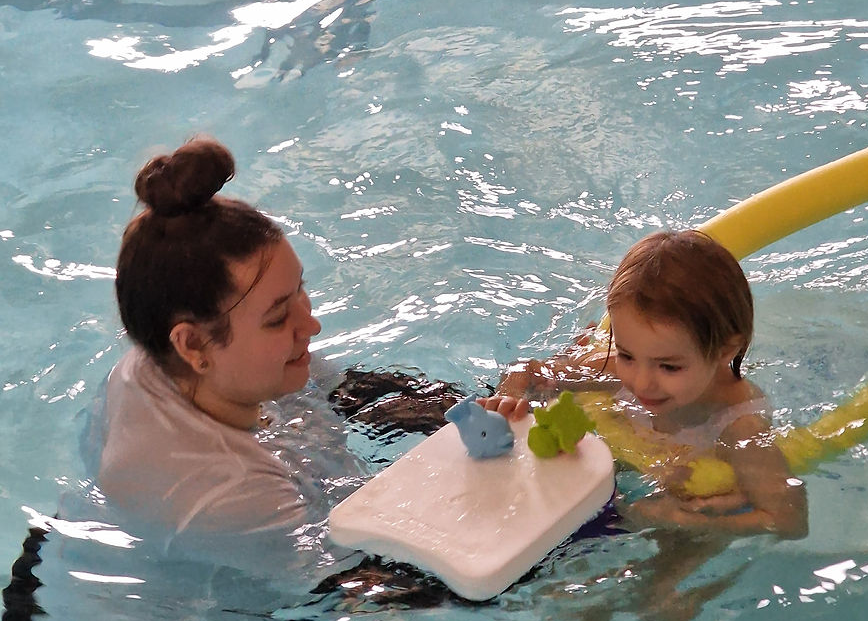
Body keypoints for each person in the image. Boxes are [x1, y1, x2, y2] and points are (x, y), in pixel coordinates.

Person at [97, 135, 456, 570]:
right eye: (277, 317)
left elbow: (352, 395)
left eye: (299, 290)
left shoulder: (167, 359)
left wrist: (474, 414)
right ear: (192, 344)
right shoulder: (230, 494)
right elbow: (362, 595)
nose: (311, 325)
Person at [485, 228, 807, 541]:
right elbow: (527, 371)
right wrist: (507, 401)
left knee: (667, 591)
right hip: (624, 471)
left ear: (725, 351)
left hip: (672, 497)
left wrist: (687, 522)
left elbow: (789, 519)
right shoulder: (615, 368)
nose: (641, 383)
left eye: (668, 366)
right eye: (626, 355)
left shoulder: (739, 426)